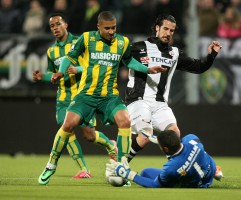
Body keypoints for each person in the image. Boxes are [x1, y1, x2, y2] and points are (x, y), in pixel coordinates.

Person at [38, 11, 166, 185]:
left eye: (113, 27)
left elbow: (129, 61)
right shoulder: (87, 39)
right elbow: (70, 57)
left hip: (109, 96)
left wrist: (147, 69)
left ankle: (122, 168)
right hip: (87, 94)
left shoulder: (123, 42)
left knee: (125, 121)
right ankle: (51, 164)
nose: (112, 31)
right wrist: (61, 72)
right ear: (98, 27)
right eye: (107, 28)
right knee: (68, 124)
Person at [125, 14, 222, 162]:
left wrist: (211, 56)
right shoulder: (138, 47)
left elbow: (199, 67)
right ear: (157, 28)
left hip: (160, 104)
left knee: (174, 134)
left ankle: (176, 169)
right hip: (139, 100)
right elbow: (117, 61)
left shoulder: (174, 53)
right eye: (165, 29)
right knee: (145, 135)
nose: (168, 33)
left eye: (172, 30)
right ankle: (122, 163)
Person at [33, 13, 118, 180]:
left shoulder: (83, 42)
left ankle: (110, 145)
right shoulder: (52, 51)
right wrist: (42, 76)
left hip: (82, 96)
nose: (55, 28)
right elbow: (54, 74)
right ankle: (83, 169)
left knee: (89, 135)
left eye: (58, 24)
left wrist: (78, 69)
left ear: (66, 24)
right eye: (52, 26)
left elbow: (94, 65)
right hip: (63, 98)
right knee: (66, 129)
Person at [106, 130, 224, 188]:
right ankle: (215, 171)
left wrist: (128, 174)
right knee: (202, 155)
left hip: (199, 183)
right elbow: (181, 146)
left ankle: (126, 179)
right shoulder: (192, 139)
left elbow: (154, 185)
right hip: (209, 169)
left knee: (146, 175)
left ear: (166, 148)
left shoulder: (171, 168)